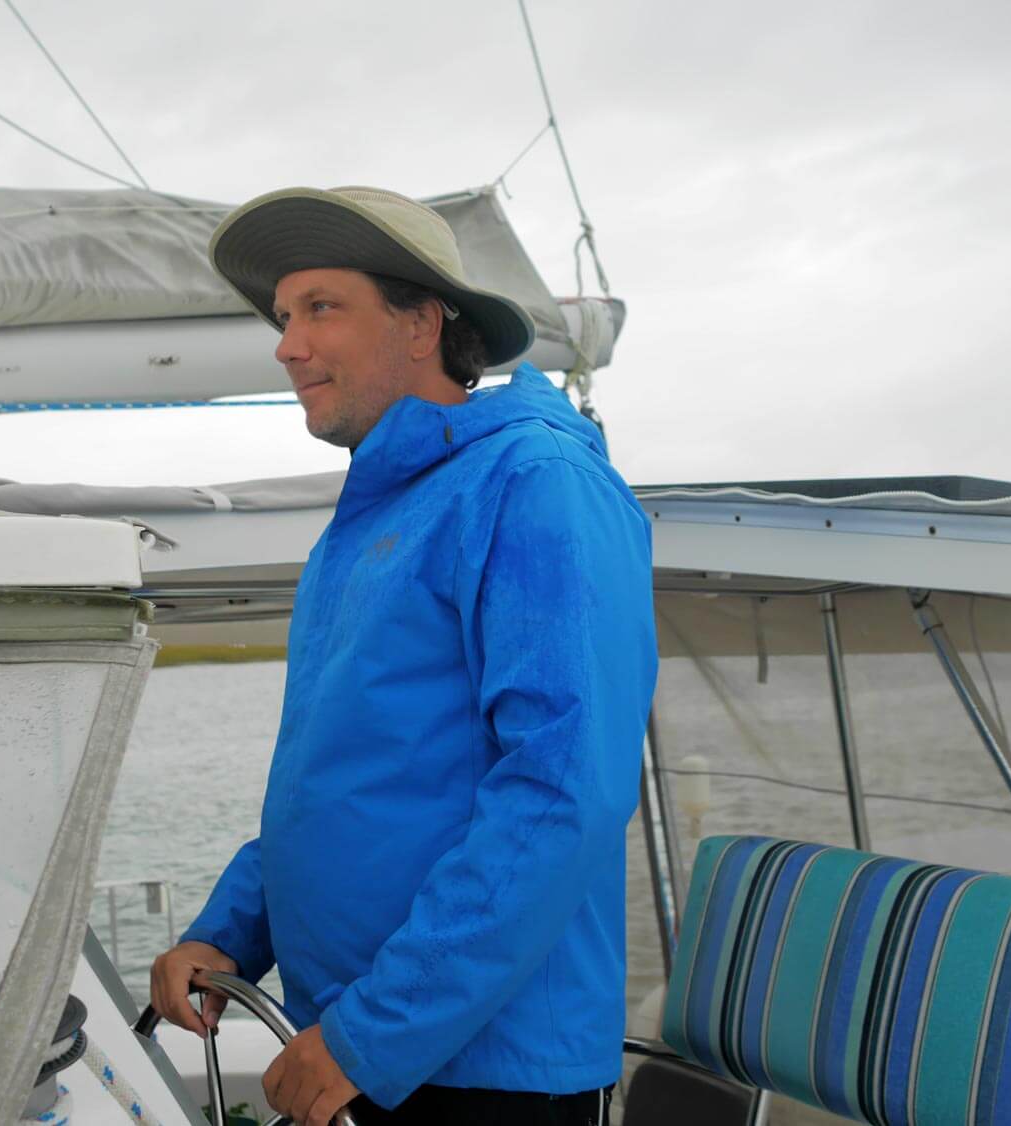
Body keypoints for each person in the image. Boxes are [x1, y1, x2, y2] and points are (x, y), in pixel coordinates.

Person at [149, 186, 656, 1126]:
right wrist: (229, 935)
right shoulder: (368, 523)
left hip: (485, 1075)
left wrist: (370, 1034)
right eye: (284, 315)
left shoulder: (535, 482)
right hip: (366, 1044)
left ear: (422, 322)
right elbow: (338, 780)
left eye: (321, 308)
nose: (287, 344)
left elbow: (563, 789)